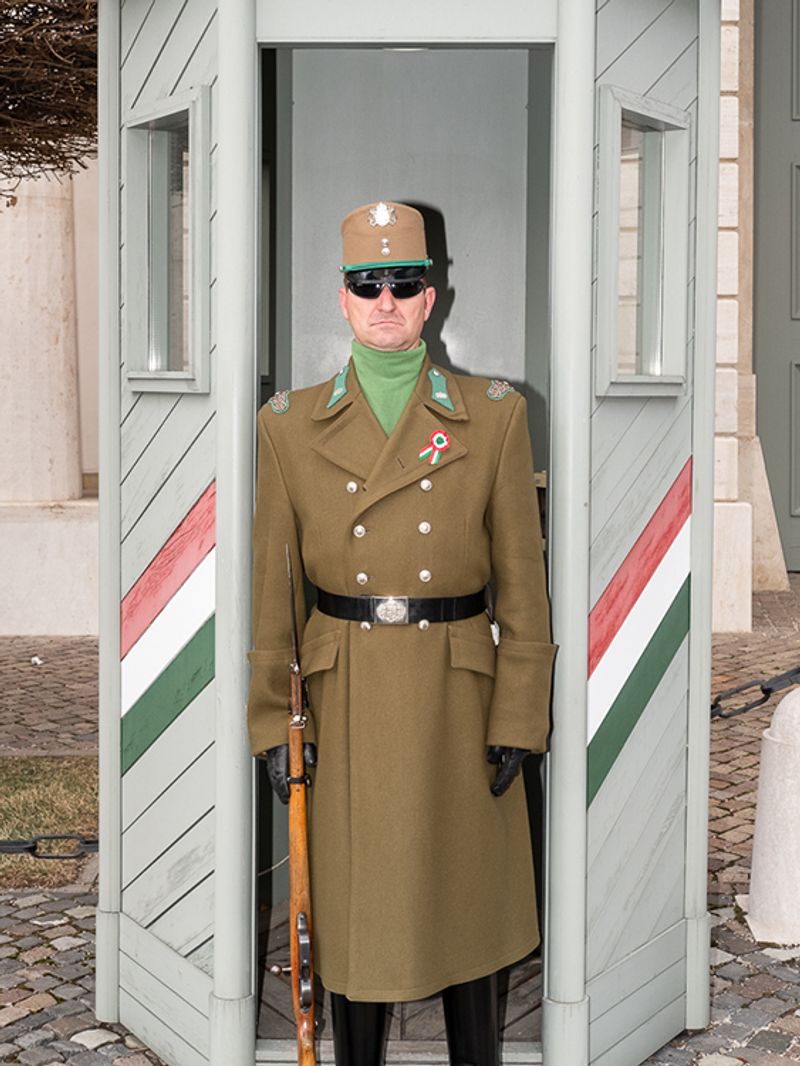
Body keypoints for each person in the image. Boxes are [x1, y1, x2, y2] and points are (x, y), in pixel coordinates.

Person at [247, 201, 556, 1066]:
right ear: (342, 301)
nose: (386, 300)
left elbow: (522, 586)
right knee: (354, 916)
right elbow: (274, 589)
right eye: (366, 284)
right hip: (346, 697)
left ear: (433, 298)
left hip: (459, 694)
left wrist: (520, 717)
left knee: (465, 909)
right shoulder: (287, 425)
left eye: (404, 283)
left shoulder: (493, 416)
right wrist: (274, 721)